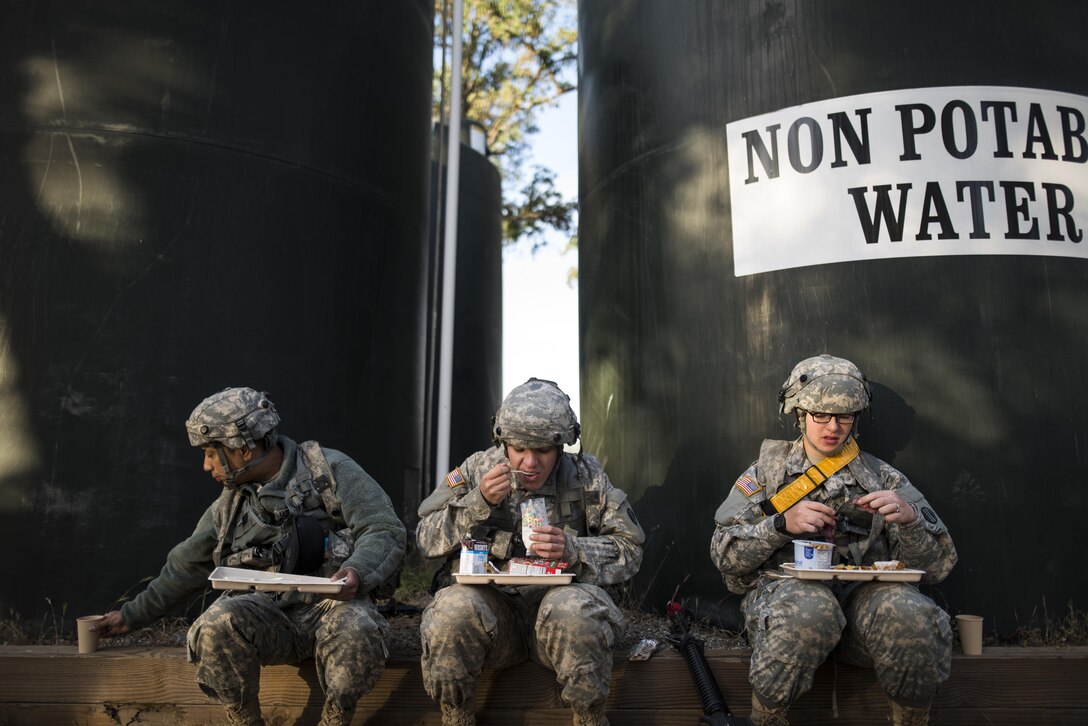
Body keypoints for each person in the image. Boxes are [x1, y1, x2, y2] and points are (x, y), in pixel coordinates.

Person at [92, 387, 406, 726]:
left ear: (243, 449)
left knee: (360, 627)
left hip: (334, 609)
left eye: (212, 453)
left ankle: (336, 717)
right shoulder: (230, 506)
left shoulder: (329, 472)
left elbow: (383, 528)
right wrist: (130, 616)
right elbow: (187, 567)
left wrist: (356, 571)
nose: (205, 465)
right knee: (214, 625)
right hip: (270, 618)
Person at [709, 355, 957, 726]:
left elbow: (938, 566)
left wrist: (909, 521)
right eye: (820, 416)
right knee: (811, 611)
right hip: (790, 605)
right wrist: (780, 524)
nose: (833, 427)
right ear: (799, 414)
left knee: (912, 616)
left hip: (864, 609)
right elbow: (725, 555)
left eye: (844, 417)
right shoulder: (768, 474)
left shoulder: (883, 478)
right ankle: (766, 719)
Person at [416, 378, 644, 726]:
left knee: (576, 609)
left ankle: (589, 718)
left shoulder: (585, 477)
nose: (530, 462)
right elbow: (425, 538)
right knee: (450, 608)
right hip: (493, 618)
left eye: (543, 450)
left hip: (553, 622)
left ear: (562, 446)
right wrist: (477, 503)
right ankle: (456, 716)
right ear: (503, 441)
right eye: (519, 448)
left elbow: (630, 549)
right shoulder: (478, 470)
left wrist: (574, 549)